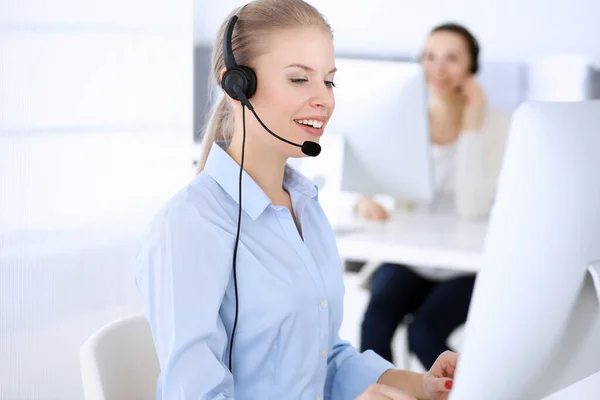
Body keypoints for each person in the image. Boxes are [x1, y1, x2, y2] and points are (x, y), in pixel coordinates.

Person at [134, 1, 460, 399]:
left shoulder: (305, 207)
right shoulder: (190, 226)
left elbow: (324, 359)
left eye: (329, 81)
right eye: (299, 79)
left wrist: (420, 384)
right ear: (237, 86)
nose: (324, 99)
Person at [358, 23, 510, 370]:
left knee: (425, 334)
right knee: (375, 325)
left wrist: (470, 125)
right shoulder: (407, 119)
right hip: (412, 257)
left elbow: (473, 207)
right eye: (430, 57)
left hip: (466, 265)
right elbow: (372, 177)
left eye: (452, 59)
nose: (438, 69)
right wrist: (363, 200)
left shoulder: (495, 125)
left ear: (471, 67)